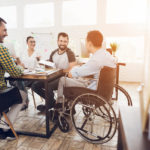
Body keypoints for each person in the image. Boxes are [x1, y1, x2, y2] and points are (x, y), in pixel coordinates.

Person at [56, 30, 116, 105]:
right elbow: (89, 69)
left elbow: (72, 73)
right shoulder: (106, 54)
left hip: (92, 90)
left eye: (86, 42)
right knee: (79, 78)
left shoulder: (96, 60)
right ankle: (70, 105)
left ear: (89, 43)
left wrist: (74, 69)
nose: (85, 44)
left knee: (62, 80)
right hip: (100, 88)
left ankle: (59, 105)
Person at [31, 32, 76, 111]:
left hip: (64, 78)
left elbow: (72, 69)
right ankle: (51, 101)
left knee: (48, 85)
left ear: (67, 42)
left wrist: (60, 71)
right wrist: (43, 63)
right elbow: (50, 66)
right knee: (35, 85)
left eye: (65, 41)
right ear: (57, 41)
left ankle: (49, 104)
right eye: (61, 41)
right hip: (53, 77)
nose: (62, 43)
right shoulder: (53, 53)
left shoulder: (70, 53)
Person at [0, 17, 26, 140]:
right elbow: (15, 72)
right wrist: (20, 67)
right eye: (4, 30)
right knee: (23, 94)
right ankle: (4, 126)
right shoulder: (2, 49)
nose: (6, 34)